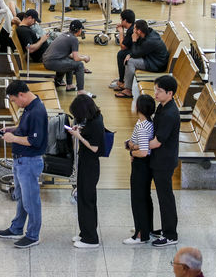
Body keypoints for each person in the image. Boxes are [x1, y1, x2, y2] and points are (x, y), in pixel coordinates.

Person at [0, 80, 48, 249]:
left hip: (29, 161)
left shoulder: (37, 111)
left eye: (14, 100)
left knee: (31, 200)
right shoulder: (29, 107)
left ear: (21, 95)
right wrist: (12, 129)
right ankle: (17, 228)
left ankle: (33, 235)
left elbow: (35, 140)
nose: (15, 104)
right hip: (21, 160)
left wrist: (13, 138)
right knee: (21, 198)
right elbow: (25, 129)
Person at [67, 94, 105, 248]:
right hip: (85, 162)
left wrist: (78, 136)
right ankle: (85, 233)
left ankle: (91, 238)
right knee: (82, 198)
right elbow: (89, 132)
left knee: (87, 200)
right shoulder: (93, 118)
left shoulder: (96, 123)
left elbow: (94, 147)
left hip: (90, 164)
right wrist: (80, 129)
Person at [149, 75, 180, 247]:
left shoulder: (170, 113)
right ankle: (166, 228)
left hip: (164, 160)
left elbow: (157, 142)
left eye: (159, 91)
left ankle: (170, 234)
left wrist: (136, 146)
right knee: (163, 196)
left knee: (165, 197)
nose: (156, 94)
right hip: (160, 158)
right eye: (155, 90)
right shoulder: (162, 106)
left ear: (170, 93)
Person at [123, 94, 155, 245]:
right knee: (144, 197)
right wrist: (133, 145)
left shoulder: (142, 127)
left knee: (138, 199)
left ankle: (141, 234)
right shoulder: (147, 122)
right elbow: (141, 145)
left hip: (141, 165)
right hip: (145, 165)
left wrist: (131, 151)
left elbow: (143, 151)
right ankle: (145, 228)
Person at [114, 20, 170, 99]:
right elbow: (137, 51)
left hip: (156, 64)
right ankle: (125, 84)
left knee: (130, 62)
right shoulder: (149, 33)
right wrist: (130, 54)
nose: (133, 31)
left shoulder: (150, 41)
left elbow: (136, 53)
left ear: (139, 31)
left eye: (134, 29)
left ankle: (128, 90)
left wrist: (134, 41)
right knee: (128, 57)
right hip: (152, 59)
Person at [42, 19, 93, 94]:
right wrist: (85, 58)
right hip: (52, 62)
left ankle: (69, 85)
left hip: (47, 60)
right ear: (79, 30)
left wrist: (81, 56)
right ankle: (80, 90)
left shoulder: (64, 34)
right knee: (79, 65)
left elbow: (70, 55)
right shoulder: (74, 39)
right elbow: (76, 58)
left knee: (70, 61)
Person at [111, 9, 136, 91]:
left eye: (121, 19)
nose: (121, 21)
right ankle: (122, 78)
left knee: (121, 54)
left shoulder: (131, 30)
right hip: (137, 50)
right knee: (123, 53)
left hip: (138, 53)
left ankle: (121, 81)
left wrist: (121, 32)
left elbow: (123, 46)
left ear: (125, 20)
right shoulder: (132, 27)